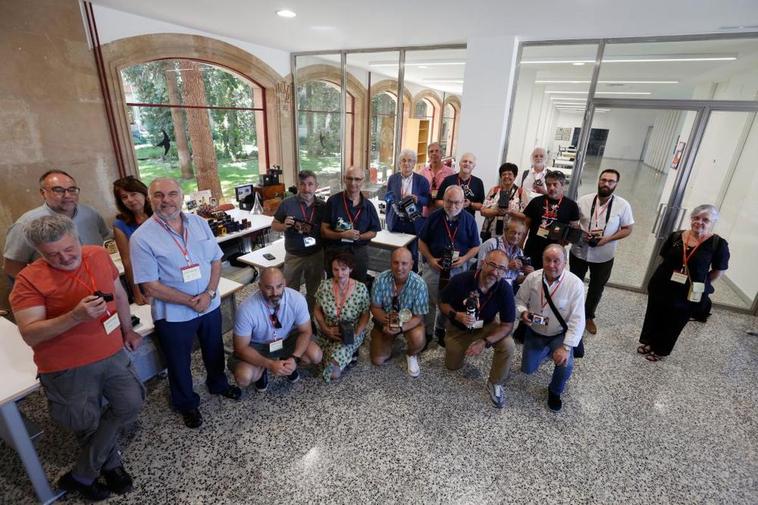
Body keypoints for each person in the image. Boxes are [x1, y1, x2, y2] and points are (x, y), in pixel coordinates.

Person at [9, 215, 143, 501]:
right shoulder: (28, 281)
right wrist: (74, 317)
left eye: (70, 249)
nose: (64, 258)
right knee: (85, 421)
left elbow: (118, 293)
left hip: (111, 352)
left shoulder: (96, 255)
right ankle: (111, 466)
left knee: (130, 403)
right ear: (39, 253)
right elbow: (31, 334)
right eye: (52, 254)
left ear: (78, 238)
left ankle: (82, 472)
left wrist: (128, 330)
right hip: (66, 365)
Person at [130, 177, 241, 429]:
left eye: (171, 194)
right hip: (174, 314)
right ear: (150, 200)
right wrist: (191, 302)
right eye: (159, 195)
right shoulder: (141, 238)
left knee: (213, 348)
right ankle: (186, 403)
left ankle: (219, 384)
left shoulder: (200, 224)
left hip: (209, 303)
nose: (166, 200)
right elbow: (150, 285)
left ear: (181, 197)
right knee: (178, 361)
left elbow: (215, 260)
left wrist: (210, 293)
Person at [637, 205, 729, 362]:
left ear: (713, 222)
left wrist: (701, 282)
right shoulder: (676, 236)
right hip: (663, 285)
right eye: (696, 218)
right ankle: (650, 342)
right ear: (691, 218)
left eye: (705, 219)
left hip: (687, 292)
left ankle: (661, 349)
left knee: (675, 320)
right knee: (655, 314)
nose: (699, 222)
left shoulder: (718, 244)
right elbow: (664, 257)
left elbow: (718, 271)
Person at [439, 250, 516, 408]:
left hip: (486, 326)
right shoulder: (460, 280)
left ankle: (495, 383)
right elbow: (442, 303)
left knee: (508, 344)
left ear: (505, 272)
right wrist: (456, 315)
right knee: (452, 366)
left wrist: (484, 342)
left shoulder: (505, 289)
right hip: (459, 328)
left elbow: (508, 324)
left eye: (501, 268)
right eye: (492, 265)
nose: (495, 272)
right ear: (483, 263)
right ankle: (461, 347)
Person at [4, 170, 111, 280]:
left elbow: (107, 239)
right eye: (58, 190)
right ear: (43, 193)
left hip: (99, 280)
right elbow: (12, 267)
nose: (67, 195)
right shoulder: (26, 224)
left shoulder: (90, 213)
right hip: (59, 291)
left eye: (72, 190)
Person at [515, 244, 585, 412]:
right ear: (542, 260)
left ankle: (555, 391)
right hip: (535, 331)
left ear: (565, 262)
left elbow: (578, 319)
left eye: (556, 261)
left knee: (564, 363)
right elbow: (519, 301)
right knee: (527, 370)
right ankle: (546, 352)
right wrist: (523, 312)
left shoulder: (575, 284)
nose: (551, 265)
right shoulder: (532, 278)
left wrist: (566, 348)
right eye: (548, 260)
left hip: (559, 334)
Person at [229, 267, 323, 389]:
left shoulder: (297, 299)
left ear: (284, 283)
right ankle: (262, 369)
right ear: (260, 286)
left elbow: (306, 331)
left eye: (279, 286)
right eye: (269, 288)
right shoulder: (246, 309)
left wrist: (294, 358)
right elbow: (240, 348)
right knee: (244, 377)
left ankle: (287, 362)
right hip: (258, 345)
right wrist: (269, 364)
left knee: (315, 355)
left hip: (287, 339)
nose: (275, 293)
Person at [569, 169, 634, 335]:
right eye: (603, 180)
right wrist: (579, 232)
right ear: (598, 180)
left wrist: (608, 239)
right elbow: (574, 223)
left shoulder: (623, 205)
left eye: (611, 181)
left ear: (616, 184)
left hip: (604, 254)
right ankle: (570, 313)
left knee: (597, 287)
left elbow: (627, 229)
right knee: (575, 284)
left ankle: (588, 316)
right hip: (579, 251)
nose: (606, 184)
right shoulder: (583, 200)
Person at [418, 185, 480, 346]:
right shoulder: (433, 217)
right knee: (428, 300)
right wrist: (431, 259)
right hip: (434, 266)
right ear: (443, 200)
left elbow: (476, 246)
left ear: (463, 202)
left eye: (457, 203)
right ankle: (427, 332)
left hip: (457, 269)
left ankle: (441, 328)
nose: (453, 206)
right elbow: (421, 241)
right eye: (449, 202)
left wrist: (465, 258)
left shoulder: (469, 220)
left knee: (451, 302)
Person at [369, 247, 429, 377]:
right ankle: (387, 340)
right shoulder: (380, 280)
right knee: (377, 360)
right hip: (385, 320)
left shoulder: (420, 284)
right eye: (395, 262)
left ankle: (411, 354)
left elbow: (419, 316)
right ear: (390, 263)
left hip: (409, 321)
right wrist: (388, 323)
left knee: (418, 339)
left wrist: (400, 328)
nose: (399, 267)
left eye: (404, 263)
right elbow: (375, 307)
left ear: (412, 264)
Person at [272, 170, 326, 312]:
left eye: (310, 184)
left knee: (314, 290)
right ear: (297, 185)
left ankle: (310, 319)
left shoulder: (323, 206)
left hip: (316, 254)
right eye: (302, 184)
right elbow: (274, 225)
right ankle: (292, 318)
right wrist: (284, 226)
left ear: (316, 186)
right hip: (293, 255)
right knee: (290, 290)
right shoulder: (287, 204)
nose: (306, 188)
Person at [313, 252, 370, 382]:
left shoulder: (361, 289)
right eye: (335, 270)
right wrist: (324, 328)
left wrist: (356, 333)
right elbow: (316, 310)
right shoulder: (324, 286)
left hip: (350, 333)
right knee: (317, 356)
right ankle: (344, 355)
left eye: (343, 269)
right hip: (327, 331)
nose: (339, 274)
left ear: (350, 268)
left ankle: (346, 352)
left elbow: (366, 314)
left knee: (333, 374)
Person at [321, 167, 381, 283]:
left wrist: (358, 236)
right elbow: (324, 231)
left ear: (363, 181)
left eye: (357, 179)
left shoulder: (368, 206)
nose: (353, 183)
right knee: (334, 287)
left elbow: (373, 232)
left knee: (358, 287)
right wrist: (342, 235)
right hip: (335, 252)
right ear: (344, 179)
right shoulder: (333, 202)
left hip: (358, 253)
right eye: (350, 179)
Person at [522, 170, 580, 270]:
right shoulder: (536, 201)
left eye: (555, 184)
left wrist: (567, 240)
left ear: (562, 185)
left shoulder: (571, 205)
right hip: (533, 248)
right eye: (548, 185)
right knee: (530, 278)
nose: (551, 188)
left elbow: (574, 229)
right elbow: (525, 225)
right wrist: (520, 245)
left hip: (555, 252)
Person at [384, 149, 431, 271]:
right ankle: (395, 276)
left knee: (412, 254)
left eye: (410, 161)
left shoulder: (422, 181)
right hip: (396, 221)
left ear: (414, 163)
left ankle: (412, 278)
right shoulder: (392, 179)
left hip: (413, 223)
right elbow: (388, 199)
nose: (406, 163)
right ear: (399, 163)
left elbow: (428, 201)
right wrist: (388, 219)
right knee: (395, 253)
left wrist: (418, 199)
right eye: (403, 160)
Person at [112, 176, 153, 306]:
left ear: (144, 193)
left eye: (133, 194)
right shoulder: (120, 225)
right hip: (145, 279)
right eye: (124, 197)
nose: (130, 200)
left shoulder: (159, 215)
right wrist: (136, 292)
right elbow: (127, 261)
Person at [477, 219, 534, 291]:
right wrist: (507, 266)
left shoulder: (519, 252)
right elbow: (480, 269)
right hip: (490, 286)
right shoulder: (491, 244)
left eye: (519, 234)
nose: (516, 236)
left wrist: (529, 276)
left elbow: (516, 279)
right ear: (505, 231)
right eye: (513, 232)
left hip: (508, 289)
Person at [480, 162, 529, 241]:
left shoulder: (521, 192)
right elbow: (483, 211)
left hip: (512, 234)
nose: (506, 176)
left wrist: (510, 211)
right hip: (490, 232)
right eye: (504, 174)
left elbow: (526, 216)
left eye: (510, 174)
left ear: (515, 176)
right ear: (500, 176)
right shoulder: (494, 190)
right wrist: (496, 211)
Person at [435, 152, 485, 216]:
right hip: (448, 218)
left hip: (467, 221)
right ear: (460, 163)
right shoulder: (448, 180)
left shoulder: (478, 182)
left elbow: (481, 206)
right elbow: (437, 202)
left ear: (473, 166)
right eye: (465, 161)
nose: (467, 164)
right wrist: (452, 204)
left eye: (470, 162)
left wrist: (470, 204)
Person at [418, 142, 454, 214]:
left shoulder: (451, 172)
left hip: (443, 212)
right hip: (426, 212)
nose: (434, 153)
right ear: (428, 155)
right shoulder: (422, 173)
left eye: (437, 151)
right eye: (431, 151)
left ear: (441, 154)